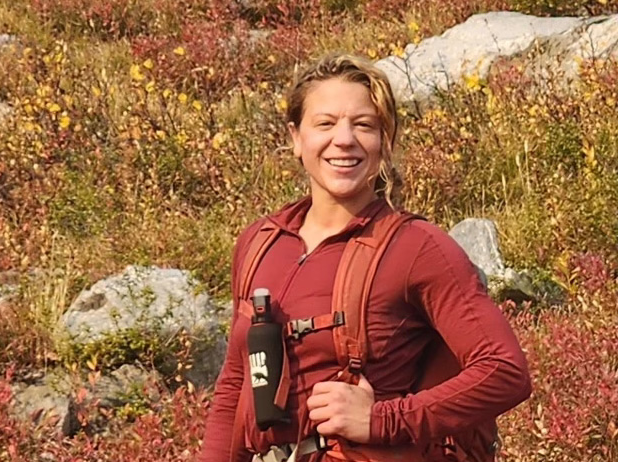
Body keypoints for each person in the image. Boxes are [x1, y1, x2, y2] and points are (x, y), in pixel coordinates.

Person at [198, 53, 532, 462]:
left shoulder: (418, 248)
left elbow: (505, 372)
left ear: (384, 142)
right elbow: (235, 385)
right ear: (295, 138)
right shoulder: (259, 242)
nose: (344, 140)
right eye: (325, 123)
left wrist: (381, 421)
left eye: (364, 125)